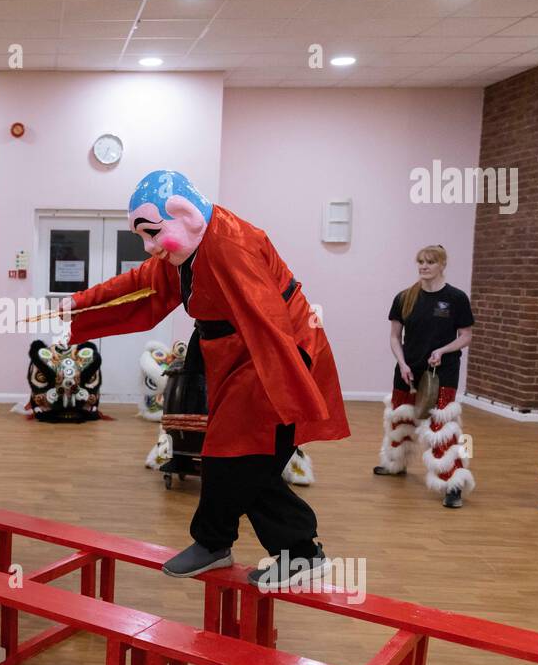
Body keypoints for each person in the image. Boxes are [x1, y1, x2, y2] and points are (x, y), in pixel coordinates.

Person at [62, 170, 349, 587]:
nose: (150, 247)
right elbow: (141, 284)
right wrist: (77, 303)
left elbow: (269, 321)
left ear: (183, 215)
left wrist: (288, 384)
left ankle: (294, 552)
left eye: (154, 234)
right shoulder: (187, 251)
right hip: (238, 359)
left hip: (274, 356)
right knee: (230, 458)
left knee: (244, 461)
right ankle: (220, 543)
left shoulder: (232, 244)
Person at [373, 245, 475, 507]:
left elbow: (466, 336)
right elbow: (395, 337)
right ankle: (395, 464)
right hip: (408, 369)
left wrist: (443, 350)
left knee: (444, 429)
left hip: (442, 372)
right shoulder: (405, 297)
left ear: (442, 265)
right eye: (420, 261)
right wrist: (402, 363)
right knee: (400, 417)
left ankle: (453, 484)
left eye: (430, 262)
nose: (424, 266)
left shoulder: (456, 298)